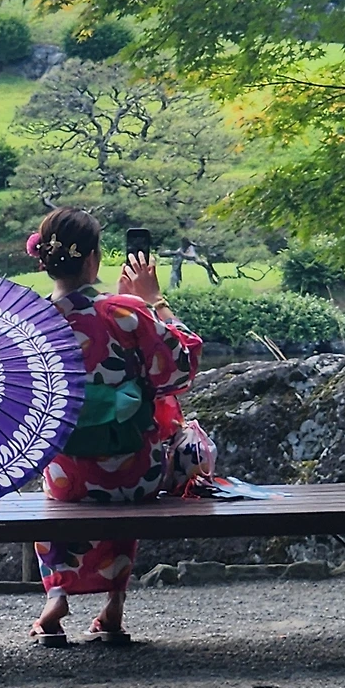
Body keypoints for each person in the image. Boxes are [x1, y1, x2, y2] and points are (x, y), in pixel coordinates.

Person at [28, 207, 208, 646]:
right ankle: (113, 606)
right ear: (93, 260)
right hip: (134, 473)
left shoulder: (30, 324)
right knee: (151, 457)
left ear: (45, 261)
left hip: (67, 474)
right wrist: (154, 302)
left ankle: (57, 595)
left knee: (57, 485)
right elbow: (179, 371)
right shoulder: (125, 311)